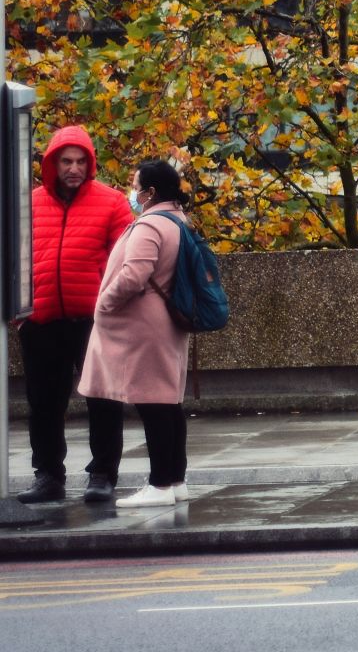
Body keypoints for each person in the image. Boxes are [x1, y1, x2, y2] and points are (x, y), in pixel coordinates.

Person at [14, 126, 133, 505]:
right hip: (42, 320)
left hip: (95, 321)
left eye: (81, 161)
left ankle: (102, 474)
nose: (74, 168)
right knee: (44, 403)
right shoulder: (27, 203)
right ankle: (48, 474)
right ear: (52, 163)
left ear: (90, 163)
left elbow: (126, 259)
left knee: (103, 399)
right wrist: (21, 313)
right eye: (66, 161)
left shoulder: (112, 202)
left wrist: (113, 309)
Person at [76, 160, 193, 507]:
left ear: (150, 192)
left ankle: (158, 485)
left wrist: (104, 303)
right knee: (169, 402)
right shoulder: (177, 220)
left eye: (136, 184)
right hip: (165, 323)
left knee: (153, 403)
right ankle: (175, 480)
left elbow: (133, 275)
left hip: (143, 326)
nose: (133, 190)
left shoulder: (150, 225)